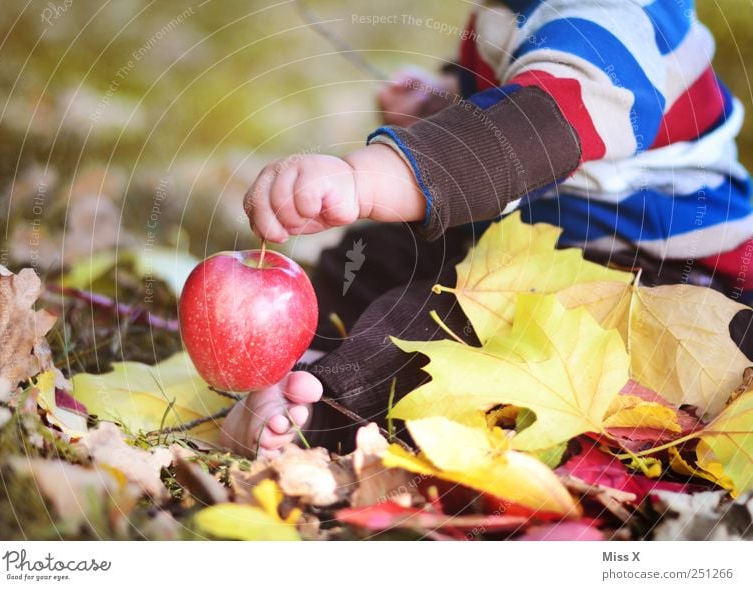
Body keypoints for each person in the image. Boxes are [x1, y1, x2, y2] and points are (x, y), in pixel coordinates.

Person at [218, 1, 753, 458]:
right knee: (374, 252)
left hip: (660, 277)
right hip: (545, 231)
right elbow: (505, 87)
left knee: (453, 322)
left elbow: (538, 124)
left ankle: (319, 416)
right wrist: (441, 99)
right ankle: (302, 362)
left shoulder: (615, 16)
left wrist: (372, 176)